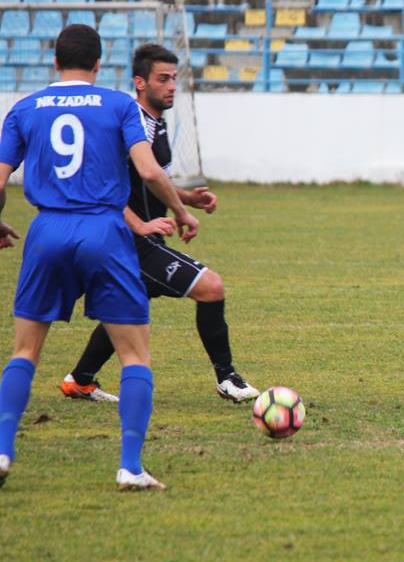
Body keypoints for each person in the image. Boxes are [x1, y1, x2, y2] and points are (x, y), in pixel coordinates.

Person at [0, 25, 200, 490]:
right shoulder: (117, 104)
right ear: (97, 65)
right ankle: (130, 466)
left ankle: (4, 450)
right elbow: (148, 170)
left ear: (54, 62)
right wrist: (180, 209)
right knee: (135, 355)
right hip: (105, 232)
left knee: (25, 351)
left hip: (47, 229)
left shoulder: (25, 108)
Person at [58, 43, 259, 404]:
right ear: (140, 82)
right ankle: (227, 377)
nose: (171, 87)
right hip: (131, 243)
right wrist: (145, 224)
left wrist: (187, 199)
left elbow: (154, 181)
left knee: (129, 305)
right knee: (210, 287)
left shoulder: (156, 125)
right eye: (163, 79)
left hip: (145, 240)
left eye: (174, 79)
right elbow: (103, 189)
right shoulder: (127, 123)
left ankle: (80, 379)